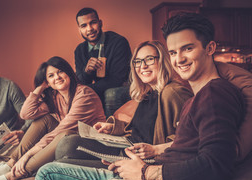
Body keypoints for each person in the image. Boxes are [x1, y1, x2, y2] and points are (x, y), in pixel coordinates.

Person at [29, 12, 246, 180]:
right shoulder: (195, 97)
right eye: (173, 52)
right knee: (47, 172)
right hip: (149, 170)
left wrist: (145, 171)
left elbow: (215, 167)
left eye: (188, 49)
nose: (179, 59)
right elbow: (182, 144)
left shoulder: (214, 93)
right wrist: (142, 157)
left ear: (210, 48)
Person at [0, 56, 106, 180]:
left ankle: (10, 177)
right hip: (70, 139)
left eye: (60, 72)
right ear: (48, 82)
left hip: (90, 143)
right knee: (44, 119)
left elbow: (62, 129)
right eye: (51, 76)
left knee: (64, 133)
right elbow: (26, 114)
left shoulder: (84, 94)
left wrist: (28, 154)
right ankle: (10, 163)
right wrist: (40, 88)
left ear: (68, 72)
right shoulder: (56, 97)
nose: (57, 77)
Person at [55, 40, 193, 168]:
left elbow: (190, 140)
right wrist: (113, 128)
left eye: (149, 59)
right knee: (68, 144)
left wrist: (155, 150)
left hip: (140, 160)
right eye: (138, 61)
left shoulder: (173, 92)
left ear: (163, 61)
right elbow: (140, 130)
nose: (142, 66)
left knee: (62, 156)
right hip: (126, 147)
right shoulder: (148, 93)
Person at [75, 7, 132, 116]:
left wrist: (86, 90)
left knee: (110, 94)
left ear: (100, 23)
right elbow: (81, 80)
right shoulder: (79, 50)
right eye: (84, 26)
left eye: (93, 23)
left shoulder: (119, 42)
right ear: (79, 30)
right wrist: (87, 72)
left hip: (124, 87)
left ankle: (111, 129)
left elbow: (117, 79)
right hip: (100, 88)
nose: (89, 29)